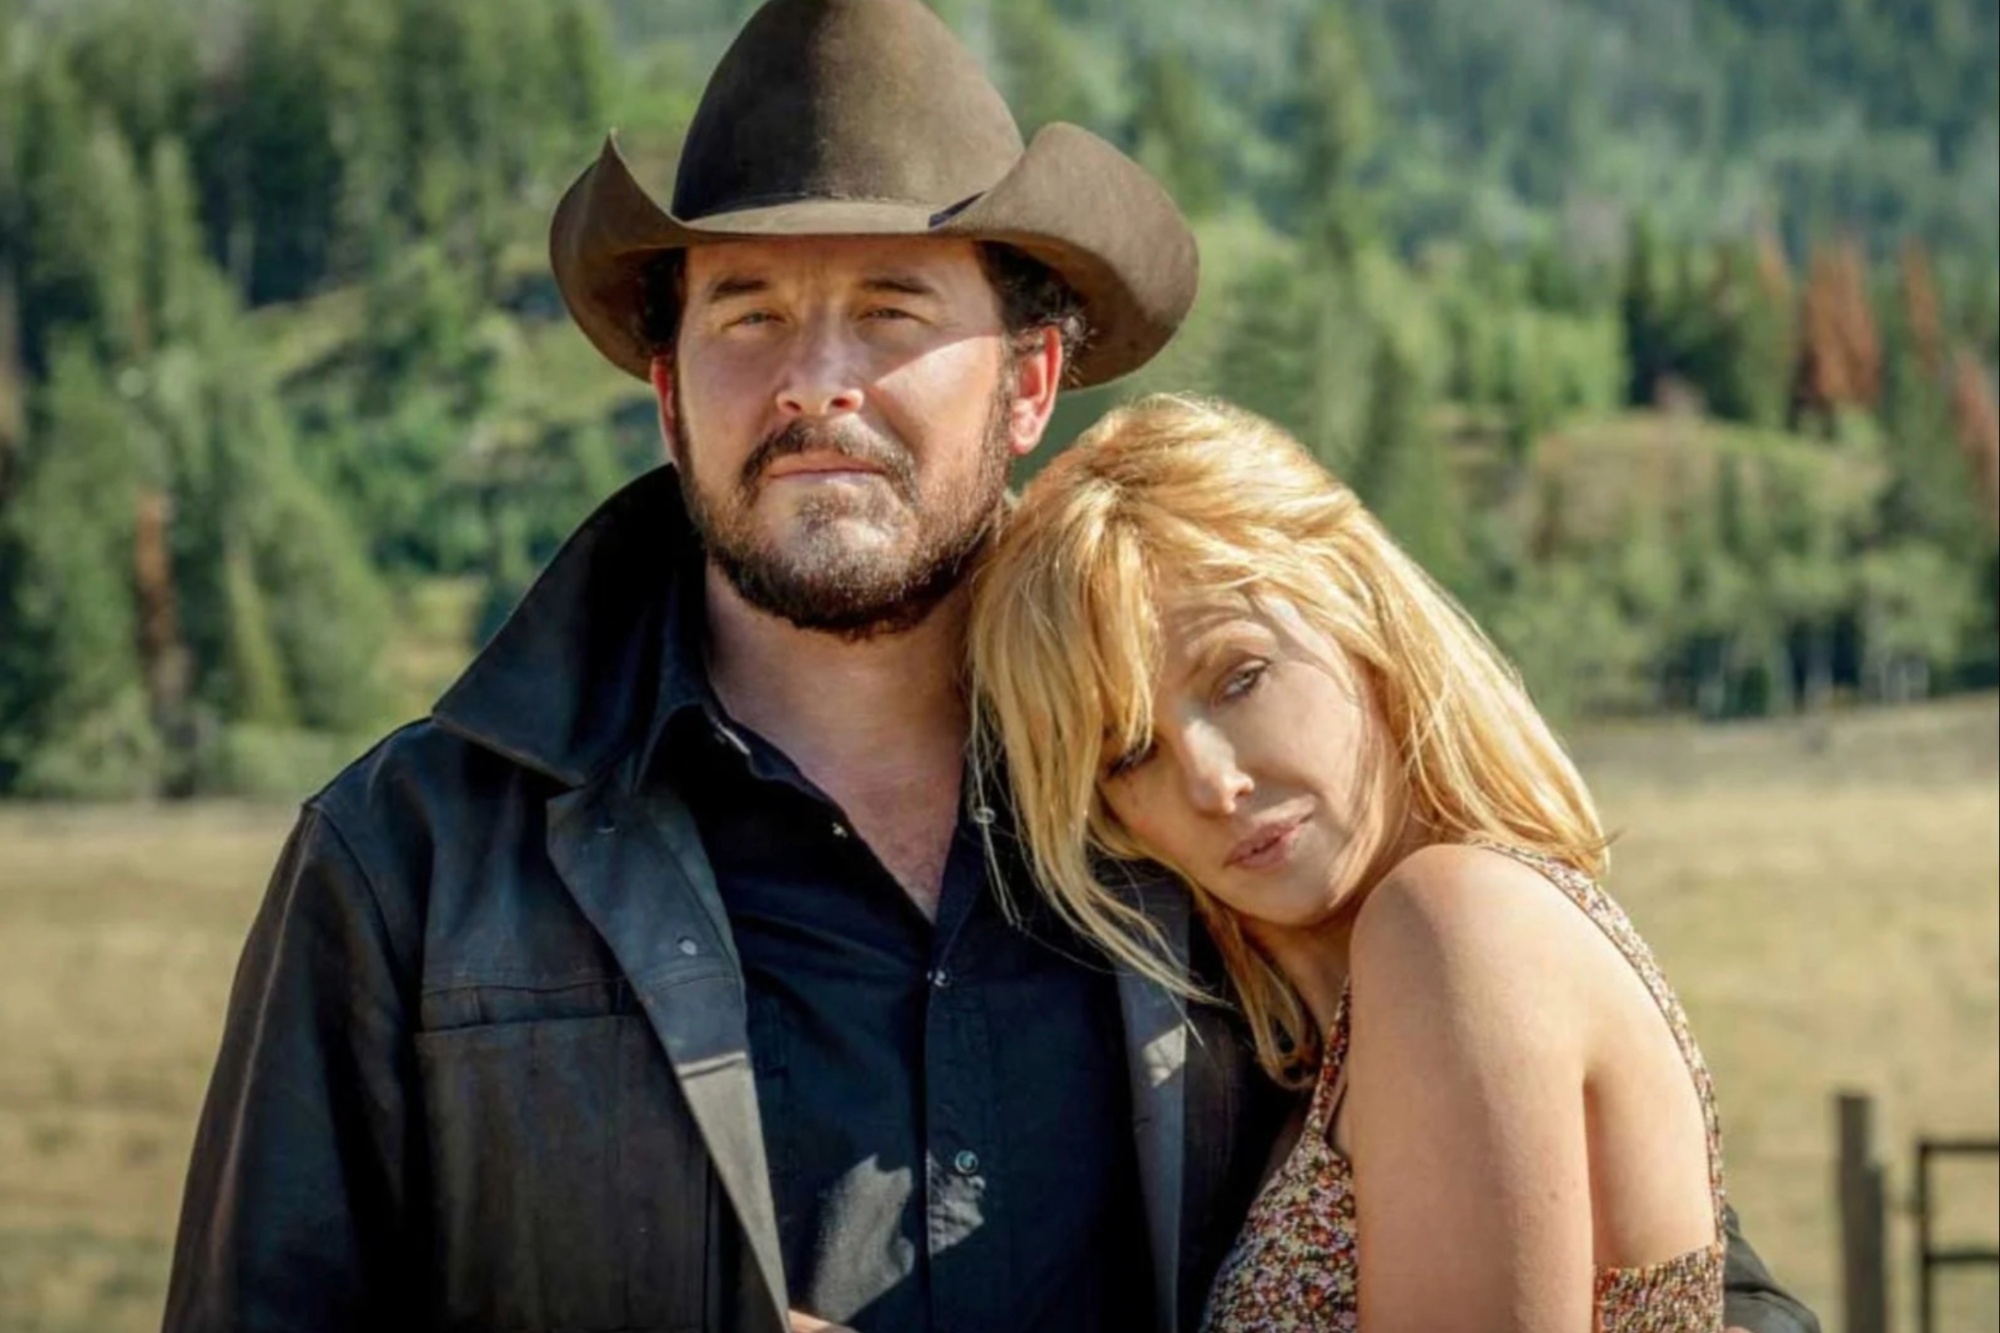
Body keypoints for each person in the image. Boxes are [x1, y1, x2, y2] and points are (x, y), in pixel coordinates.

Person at [162, 1, 1819, 1330]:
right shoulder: (411, 864)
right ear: (667, 393)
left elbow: (1669, 1273)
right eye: (745, 313)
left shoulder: (1202, 827)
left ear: (1030, 385)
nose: (819, 381)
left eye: (892, 311)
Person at [967, 393, 1766, 1331]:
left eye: (1240, 677)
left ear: (1359, 610)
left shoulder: (1459, 924)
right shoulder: (1322, 1058)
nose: (1213, 781)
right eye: (1131, 752)